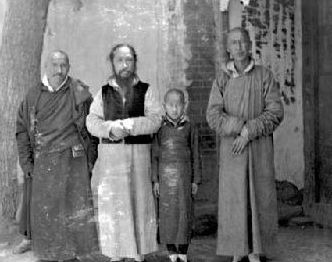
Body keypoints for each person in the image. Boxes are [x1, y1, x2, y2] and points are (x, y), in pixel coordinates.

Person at [206, 27, 284, 262]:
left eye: (242, 42)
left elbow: (276, 112)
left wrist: (250, 131)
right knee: (234, 197)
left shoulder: (264, 75)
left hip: (258, 148)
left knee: (258, 195)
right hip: (232, 150)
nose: (239, 47)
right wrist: (239, 127)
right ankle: (237, 249)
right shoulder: (222, 77)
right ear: (228, 48)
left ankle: (255, 250)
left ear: (250, 45)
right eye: (234, 43)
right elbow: (213, 115)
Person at [16, 50, 98, 262]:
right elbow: (22, 130)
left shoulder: (79, 92)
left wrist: (89, 159)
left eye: (63, 65)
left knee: (74, 207)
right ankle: (48, 254)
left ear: (68, 67)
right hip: (44, 162)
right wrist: (27, 163)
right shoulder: (33, 96)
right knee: (48, 210)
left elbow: (92, 128)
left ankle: (74, 254)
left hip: (74, 160)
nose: (59, 70)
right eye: (54, 65)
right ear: (46, 66)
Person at [86, 43, 162, 262]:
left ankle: (138, 252)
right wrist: (110, 129)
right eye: (120, 60)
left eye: (129, 60)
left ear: (135, 62)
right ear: (113, 63)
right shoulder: (103, 92)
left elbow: (156, 119)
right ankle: (116, 252)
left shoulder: (146, 90)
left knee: (139, 202)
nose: (125, 65)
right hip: (111, 158)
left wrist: (129, 126)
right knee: (114, 204)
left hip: (138, 156)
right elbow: (91, 121)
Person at [151, 88, 201, 262]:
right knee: (167, 214)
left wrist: (196, 180)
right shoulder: (159, 128)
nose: (174, 109)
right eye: (171, 105)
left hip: (184, 176)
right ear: (165, 106)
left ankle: (183, 250)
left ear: (184, 106)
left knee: (185, 213)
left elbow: (195, 153)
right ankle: (171, 250)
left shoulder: (190, 126)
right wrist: (155, 180)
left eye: (178, 105)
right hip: (165, 178)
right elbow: (155, 155)